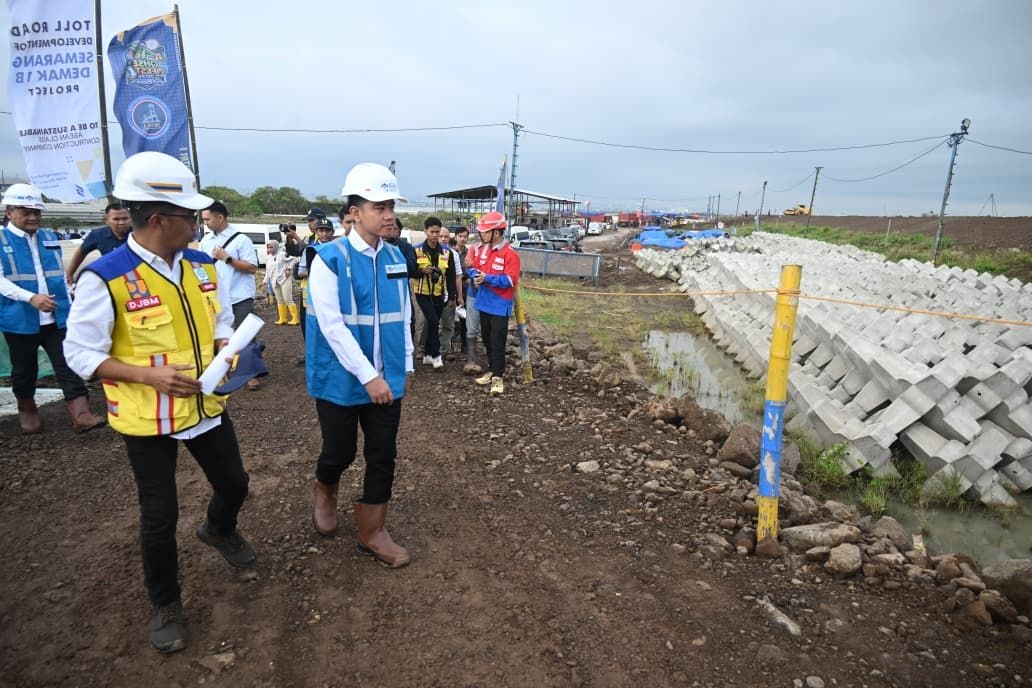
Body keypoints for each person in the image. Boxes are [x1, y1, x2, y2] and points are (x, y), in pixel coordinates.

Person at [62, 151, 257, 654]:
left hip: (205, 405)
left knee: (235, 483)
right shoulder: (105, 276)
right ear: (157, 219)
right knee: (159, 513)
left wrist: (224, 348)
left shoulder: (199, 264)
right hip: (147, 415)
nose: (197, 222)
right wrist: (145, 375)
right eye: (189, 215)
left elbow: (218, 322)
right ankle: (166, 604)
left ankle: (218, 529)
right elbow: (78, 352)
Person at [307, 162, 413, 568]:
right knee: (340, 451)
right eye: (379, 207)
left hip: (386, 379)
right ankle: (325, 490)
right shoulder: (327, 259)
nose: (388, 215)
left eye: (391, 206)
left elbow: (402, 316)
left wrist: (404, 366)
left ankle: (373, 531)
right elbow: (332, 326)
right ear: (353, 211)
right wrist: (367, 375)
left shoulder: (396, 258)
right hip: (340, 379)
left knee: (383, 454)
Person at [0, 183, 106, 434]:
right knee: (24, 369)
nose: (33, 216)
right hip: (20, 318)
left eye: (36, 211)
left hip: (57, 316)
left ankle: (81, 413)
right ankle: (27, 410)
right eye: (26, 211)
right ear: (9, 211)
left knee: (67, 362)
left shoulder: (49, 237)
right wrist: (30, 298)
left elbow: (57, 274)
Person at [198, 201, 261, 389]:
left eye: (207, 219)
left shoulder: (242, 240)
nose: (205, 223)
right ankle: (220, 373)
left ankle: (250, 374)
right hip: (214, 298)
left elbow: (252, 268)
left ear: (220, 217)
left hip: (240, 296)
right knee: (216, 336)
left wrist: (227, 258)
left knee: (245, 336)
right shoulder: (205, 241)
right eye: (203, 220)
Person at [470, 211, 520, 395]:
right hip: (484, 303)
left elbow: (510, 280)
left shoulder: (510, 254)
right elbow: (474, 268)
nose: (482, 234)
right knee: (487, 339)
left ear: (496, 233)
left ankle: (498, 377)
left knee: (498, 342)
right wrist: (475, 276)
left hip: (500, 306)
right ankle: (491, 370)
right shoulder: (483, 250)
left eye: (485, 231)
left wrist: (487, 278)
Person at [413, 217, 456, 369]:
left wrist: (452, 296)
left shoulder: (446, 252)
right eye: (432, 232)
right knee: (432, 320)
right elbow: (411, 271)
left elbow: (451, 276)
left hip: (439, 293)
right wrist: (422, 271)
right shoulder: (416, 250)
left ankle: (427, 355)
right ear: (425, 231)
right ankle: (436, 355)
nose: (435, 235)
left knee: (433, 323)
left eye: (437, 232)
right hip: (422, 293)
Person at [64, 202, 133, 284]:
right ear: (106, 220)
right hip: (111, 278)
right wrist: (69, 274)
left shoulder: (139, 234)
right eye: (116, 219)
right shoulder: (97, 235)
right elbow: (81, 252)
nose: (121, 222)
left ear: (131, 219)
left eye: (125, 218)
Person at [297, 217, 336, 339]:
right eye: (321, 230)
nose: (324, 234)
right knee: (312, 324)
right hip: (312, 291)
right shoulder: (309, 250)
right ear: (316, 232)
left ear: (332, 232)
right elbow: (301, 272)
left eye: (327, 231)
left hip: (332, 291)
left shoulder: (337, 248)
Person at [263, 239, 299, 325]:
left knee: (288, 299)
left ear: (275, 247)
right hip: (274, 280)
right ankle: (283, 318)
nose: (269, 250)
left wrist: (289, 269)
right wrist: (265, 282)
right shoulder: (268, 258)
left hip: (284, 279)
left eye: (271, 247)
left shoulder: (282, 254)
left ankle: (295, 318)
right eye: (268, 248)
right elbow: (268, 271)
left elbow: (294, 259)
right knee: (279, 300)